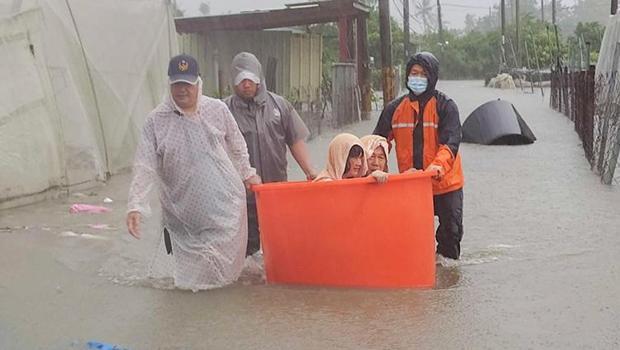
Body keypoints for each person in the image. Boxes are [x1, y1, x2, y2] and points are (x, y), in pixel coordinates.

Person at [126, 54, 261, 291]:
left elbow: (237, 145)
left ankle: (217, 317)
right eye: (177, 84)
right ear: (169, 85)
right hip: (182, 215)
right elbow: (145, 165)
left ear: (198, 83)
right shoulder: (156, 121)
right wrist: (136, 204)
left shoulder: (217, 110)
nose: (182, 90)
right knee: (189, 283)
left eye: (187, 84)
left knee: (224, 279)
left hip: (224, 209)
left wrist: (247, 173)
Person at [373, 52, 465, 260]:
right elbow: (378, 144)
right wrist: (372, 168)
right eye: (414, 73)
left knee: (450, 235)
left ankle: (446, 281)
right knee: (410, 236)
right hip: (411, 184)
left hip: (445, 183)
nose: (418, 78)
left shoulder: (446, 106)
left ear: (432, 77)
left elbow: (451, 144)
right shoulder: (393, 109)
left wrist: (437, 167)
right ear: (407, 76)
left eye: (423, 74)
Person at [224, 52, 316, 256]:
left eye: (250, 78)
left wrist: (310, 171)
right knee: (245, 254)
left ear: (259, 78)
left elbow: (295, 140)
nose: (246, 84)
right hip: (240, 199)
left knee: (280, 248)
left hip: (276, 194)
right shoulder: (223, 110)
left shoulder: (280, 106)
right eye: (240, 80)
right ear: (233, 82)